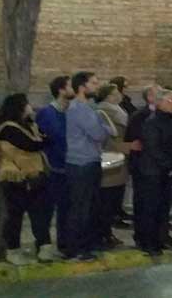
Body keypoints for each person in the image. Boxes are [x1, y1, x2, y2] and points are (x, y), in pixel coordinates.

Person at [0, 94, 54, 265]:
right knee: (15, 216)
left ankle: (44, 246)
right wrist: (42, 140)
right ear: (19, 107)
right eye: (27, 104)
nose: (31, 106)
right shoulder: (8, 128)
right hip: (15, 178)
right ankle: (13, 251)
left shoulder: (29, 125)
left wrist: (41, 138)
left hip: (35, 177)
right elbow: (32, 144)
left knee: (40, 215)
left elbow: (45, 139)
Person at [63, 71, 114, 261]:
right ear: (82, 87)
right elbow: (99, 134)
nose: (97, 86)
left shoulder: (87, 108)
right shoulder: (79, 109)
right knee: (80, 207)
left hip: (88, 161)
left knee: (90, 205)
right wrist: (104, 128)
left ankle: (87, 243)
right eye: (93, 83)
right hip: (81, 163)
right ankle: (76, 248)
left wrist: (103, 128)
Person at [138, 88, 172, 257]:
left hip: (167, 170)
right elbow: (153, 147)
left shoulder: (171, 120)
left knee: (164, 207)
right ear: (159, 102)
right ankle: (149, 242)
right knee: (151, 207)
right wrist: (169, 164)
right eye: (170, 101)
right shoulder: (152, 122)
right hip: (152, 171)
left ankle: (161, 237)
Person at [35, 76, 72, 256]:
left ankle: (64, 243)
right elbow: (47, 139)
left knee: (66, 209)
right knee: (46, 209)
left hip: (69, 168)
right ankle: (43, 244)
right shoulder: (47, 113)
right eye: (70, 85)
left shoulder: (71, 112)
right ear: (61, 90)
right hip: (52, 168)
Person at [94, 83, 131, 249]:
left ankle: (106, 233)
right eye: (116, 93)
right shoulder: (104, 112)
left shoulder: (117, 110)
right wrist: (126, 147)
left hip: (119, 159)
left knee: (114, 198)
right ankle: (102, 234)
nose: (120, 95)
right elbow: (107, 139)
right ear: (108, 96)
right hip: (110, 160)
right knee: (106, 199)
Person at [125, 84, 157, 248]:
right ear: (149, 97)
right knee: (143, 202)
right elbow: (133, 140)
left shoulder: (163, 114)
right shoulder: (139, 116)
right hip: (142, 165)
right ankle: (142, 236)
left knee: (156, 204)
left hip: (157, 167)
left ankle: (157, 235)